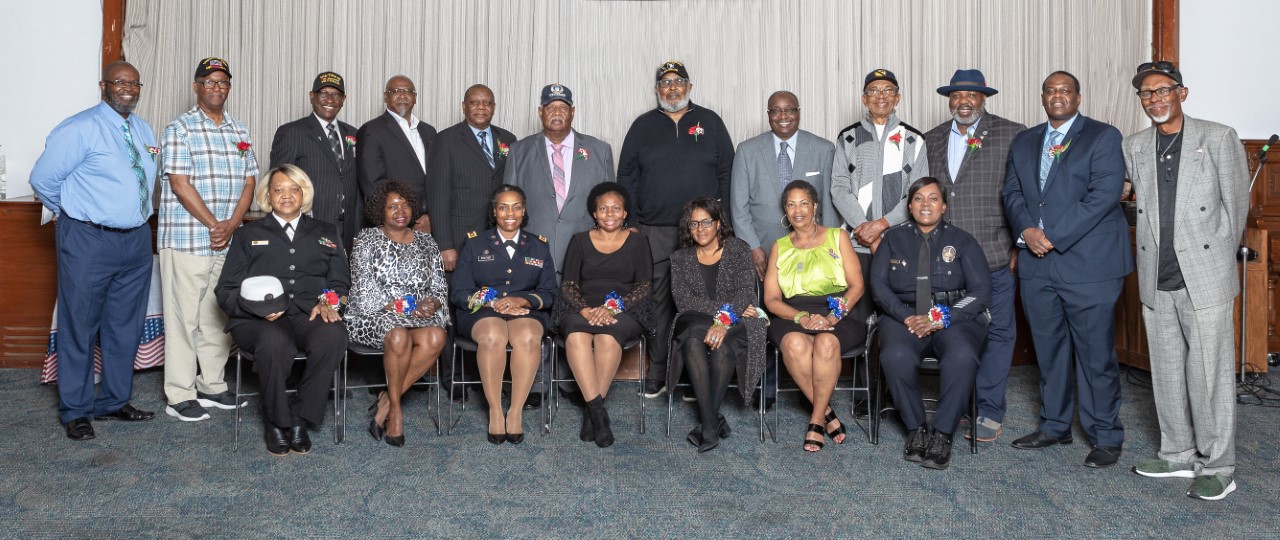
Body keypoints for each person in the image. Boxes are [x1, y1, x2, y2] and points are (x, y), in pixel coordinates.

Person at [1123, 61, 1248, 500]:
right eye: (1146, 94)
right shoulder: (1135, 145)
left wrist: (1212, 261)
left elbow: (1235, 208)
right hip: (1157, 276)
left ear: (1182, 93)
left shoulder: (1217, 137)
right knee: (1168, 371)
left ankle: (1219, 465)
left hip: (1205, 276)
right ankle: (1177, 453)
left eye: (1162, 91)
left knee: (1210, 374)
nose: (1155, 99)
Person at [1002, 71, 1133, 468]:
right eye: (1050, 90)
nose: (1057, 96)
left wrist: (1052, 235)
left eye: (1065, 90)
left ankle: (1105, 435)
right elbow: (1011, 192)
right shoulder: (1025, 140)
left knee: (1095, 354)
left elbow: (1104, 195)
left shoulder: (1103, 136)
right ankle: (1054, 425)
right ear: (1041, 97)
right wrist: (1026, 230)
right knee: (1050, 350)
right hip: (1037, 266)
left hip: (1089, 265)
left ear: (1078, 96)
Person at [29, 61, 158, 440]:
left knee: (124, 326)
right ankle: (76, 410)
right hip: (89, 238)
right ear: (104, 85)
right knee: (80, 325)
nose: (128, 89)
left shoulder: (143, 128)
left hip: (135, 238)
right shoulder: (79, 127)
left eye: (134, 83)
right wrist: (68, 213)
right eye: (120, 82)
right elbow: (42, 179)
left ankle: (113, 401)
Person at [215, 164, 350, 456]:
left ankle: (299, 418)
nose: (286, 195)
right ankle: (275, 422)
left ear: (304, 194)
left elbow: (339, 281)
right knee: (275, 343)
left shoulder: (326, 232)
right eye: (278, 189)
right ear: (267, 195)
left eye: (293, 189)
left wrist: (328, 301)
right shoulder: (247, 235)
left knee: (334, 337)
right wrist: (255, 310)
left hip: (309, 312)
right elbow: (225, 290)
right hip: (257, 320)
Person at [618, 60, 734, 399]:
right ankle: (658, 371)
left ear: (689, 87)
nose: (672, 88)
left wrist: (722, 224)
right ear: (656, 89)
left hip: (704, 232)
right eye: (665, 83)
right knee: (657, 302)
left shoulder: (710, 122)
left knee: (702, 300)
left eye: (678, 82)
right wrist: (633, 225)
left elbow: (727, 173)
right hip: (654, 230)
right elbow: (626, 177)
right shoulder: (642, 126)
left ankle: (691, 375)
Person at [922, 69, 1027, 442]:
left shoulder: (1012, 133)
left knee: (998, 332)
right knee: (954, 331)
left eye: (972, 95)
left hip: (995, 252)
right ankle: (961, 406)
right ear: (949, 99)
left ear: (984, 98)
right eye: (957, 95)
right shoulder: (931, 139)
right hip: (945, 261)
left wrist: (1019, 243)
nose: (963, 101)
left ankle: (989, 410)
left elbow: (1023, 193)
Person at [158, 57, 257, 422]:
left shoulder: (239, 129)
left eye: (223, 83)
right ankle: (179, 393)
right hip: (187, 240)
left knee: (217, 315)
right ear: (196, 86)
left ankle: (211, 385)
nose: (217, 88)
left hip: (226, 239)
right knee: (183, 319)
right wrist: (216, 223)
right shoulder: (179, 129)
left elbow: (250, 181)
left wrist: (231, 224)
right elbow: (179, 184)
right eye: (209, 82)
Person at [505, 83, 616, 406]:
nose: (557, 113)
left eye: (563, 107)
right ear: (540, 112)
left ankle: (573, 380)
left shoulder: (598, 150)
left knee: (575, 309)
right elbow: (508, 202)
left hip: (582, 248)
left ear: (572, 112)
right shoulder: (520, 150)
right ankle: (536, 384)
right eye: (550, 107)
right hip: (534, 247)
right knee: (536, 311)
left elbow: (609, 203)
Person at [871, 177, 991, 470]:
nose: (926, 204)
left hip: (953, 317)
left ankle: (942, 433)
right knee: (894, 355)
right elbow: (878, 285)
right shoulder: (892, 240)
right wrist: (904, 315)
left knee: (962, 356)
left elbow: (982, 291)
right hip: (905, 316)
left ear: (944, 206)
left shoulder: (963, 241)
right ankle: (916, 428)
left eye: (933, 198)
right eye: (919, 199)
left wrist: (941, 318)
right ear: (910, 206)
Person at [763, 180, 866, 452]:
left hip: (838, 312)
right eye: (791, 204)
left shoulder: (838, 237)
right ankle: (827, 415)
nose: (798, 211)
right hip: (792, 314)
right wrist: (801, 318)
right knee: (795, 343)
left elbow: (857, 286)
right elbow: (771, 299)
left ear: (815, 207)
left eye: (804, 203)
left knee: (826, 343)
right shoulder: (779, 246)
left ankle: (816, 420)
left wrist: (832, 318)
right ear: (785, 211)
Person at [450, 185, 558, 445]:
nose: (510, 213)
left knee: (529, 337)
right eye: (503, 207)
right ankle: (496, 411)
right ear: (494, 211)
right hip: (481, 312)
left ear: (524, 211)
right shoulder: (475, 244)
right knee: (493, 335)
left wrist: (522, 299)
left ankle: (515, 411)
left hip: (525, 310)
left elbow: (549, 293)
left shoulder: (538, 246)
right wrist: (495, 302)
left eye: (516, 207)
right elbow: (460, 292)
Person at [347, 180, 449, 447]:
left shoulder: (427, 241)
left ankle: (384, 402)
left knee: (437, 336)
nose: (400, 211)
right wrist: (402, 306)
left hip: (419, 315)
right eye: (392, 206)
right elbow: (364, 285)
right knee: (399, 336)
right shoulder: (367, 239)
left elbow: (439, 285)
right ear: (381, 210)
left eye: (404, 205)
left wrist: (432, 303)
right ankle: (395, 412)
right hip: (375, 314)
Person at [554, 182, 654, 448]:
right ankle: (598, 413)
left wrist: (612, 308)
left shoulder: (638, 241)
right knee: (576, 337)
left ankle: (591, 413)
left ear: (625, 213)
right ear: (594, 213)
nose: (610, 214)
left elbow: (644, 285)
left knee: (607, 339)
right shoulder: (579, 240)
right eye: (603, 209)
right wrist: (587, 310)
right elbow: (568, 285)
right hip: (582, 306)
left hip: (624, 307)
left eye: (616, 209)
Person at [668, 198, 767, 452]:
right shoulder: (680, 258)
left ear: (718, 223)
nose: (700, 229)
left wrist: (725, 320)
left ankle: (708, 426)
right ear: (688, 228)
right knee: (691, 336)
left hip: (739, 322)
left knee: (718, 347)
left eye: (706, 222)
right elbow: (683, 301)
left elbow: (746, 292)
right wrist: (722, 310)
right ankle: (713, 423)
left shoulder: (738, 249)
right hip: (695, 320)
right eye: (694, 224)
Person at [731, 90, 838, 280]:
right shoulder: (747, 151)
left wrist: (828, 246)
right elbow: (739, 208)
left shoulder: (824, 149)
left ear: (798, 112)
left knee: (807, 302)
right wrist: (753, 247)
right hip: (763, 247)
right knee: (764, 305)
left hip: (811, 245)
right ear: (768, 115)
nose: (783, 116)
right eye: (776, 111)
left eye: (789, 110)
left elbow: (829, 206)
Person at [831, 69, 929, 258]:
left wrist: (881, 224)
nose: (881, 96)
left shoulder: (914, 140)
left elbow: (917, 193)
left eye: (888, 90)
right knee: (858, 289)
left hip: (901, 240)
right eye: (874, 90)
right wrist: (869, 233)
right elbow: (839, 188)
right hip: (855, 243)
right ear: (864, 99)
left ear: (897, 98)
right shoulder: (847, 137)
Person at [426, 84, 517, 272]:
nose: (481, 107)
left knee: (495, 291)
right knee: (462, 294)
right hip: (461, 236)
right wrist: (444, 245)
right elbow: (438, 195)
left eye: (487, 103)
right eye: (474, 103)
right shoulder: (446, 139)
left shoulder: (508, 139)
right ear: (463, 106)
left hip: (499, 233)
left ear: (494, 107)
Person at [270, 71, 360, 250]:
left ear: (343, 99)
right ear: (312, 96)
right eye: (324, 93)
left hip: (347, 229)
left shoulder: (353, 133)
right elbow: (277, 183)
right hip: (309, 226)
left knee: (343, 277)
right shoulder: (292, 132)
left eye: (336, 94)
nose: (330, 99)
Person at [356, 75, 437, 233]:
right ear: (386, 96)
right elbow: (373, 186)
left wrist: (431, 216)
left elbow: (437, 179)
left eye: (407, 91)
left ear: (415, 97)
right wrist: (408, 217)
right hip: (394, 226)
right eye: (396, 91)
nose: (402, 95)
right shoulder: (371, 131)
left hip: (428, 224)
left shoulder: (428, 131)